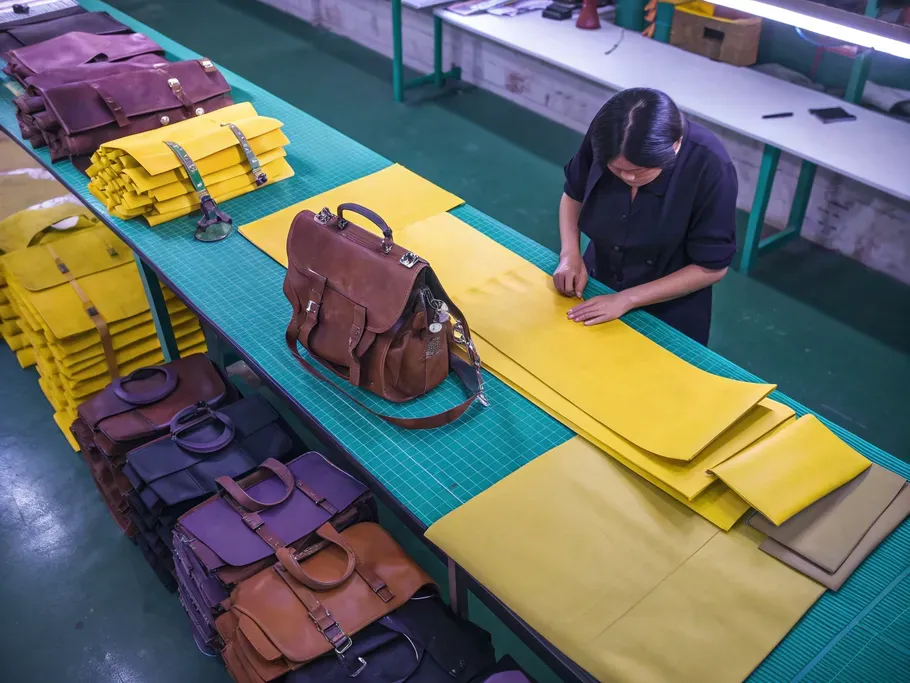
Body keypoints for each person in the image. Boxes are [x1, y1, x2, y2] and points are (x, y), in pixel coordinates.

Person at [553, 87, 738, 345]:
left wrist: (626, 299)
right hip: (599, 280)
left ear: (675, 147)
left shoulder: (711, 166)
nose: (628, 178)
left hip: (670, 307)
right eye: (617, 169)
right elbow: (573, 194)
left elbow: (711, 268)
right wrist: (570, 254)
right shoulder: (607, 136)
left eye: (639, 171)